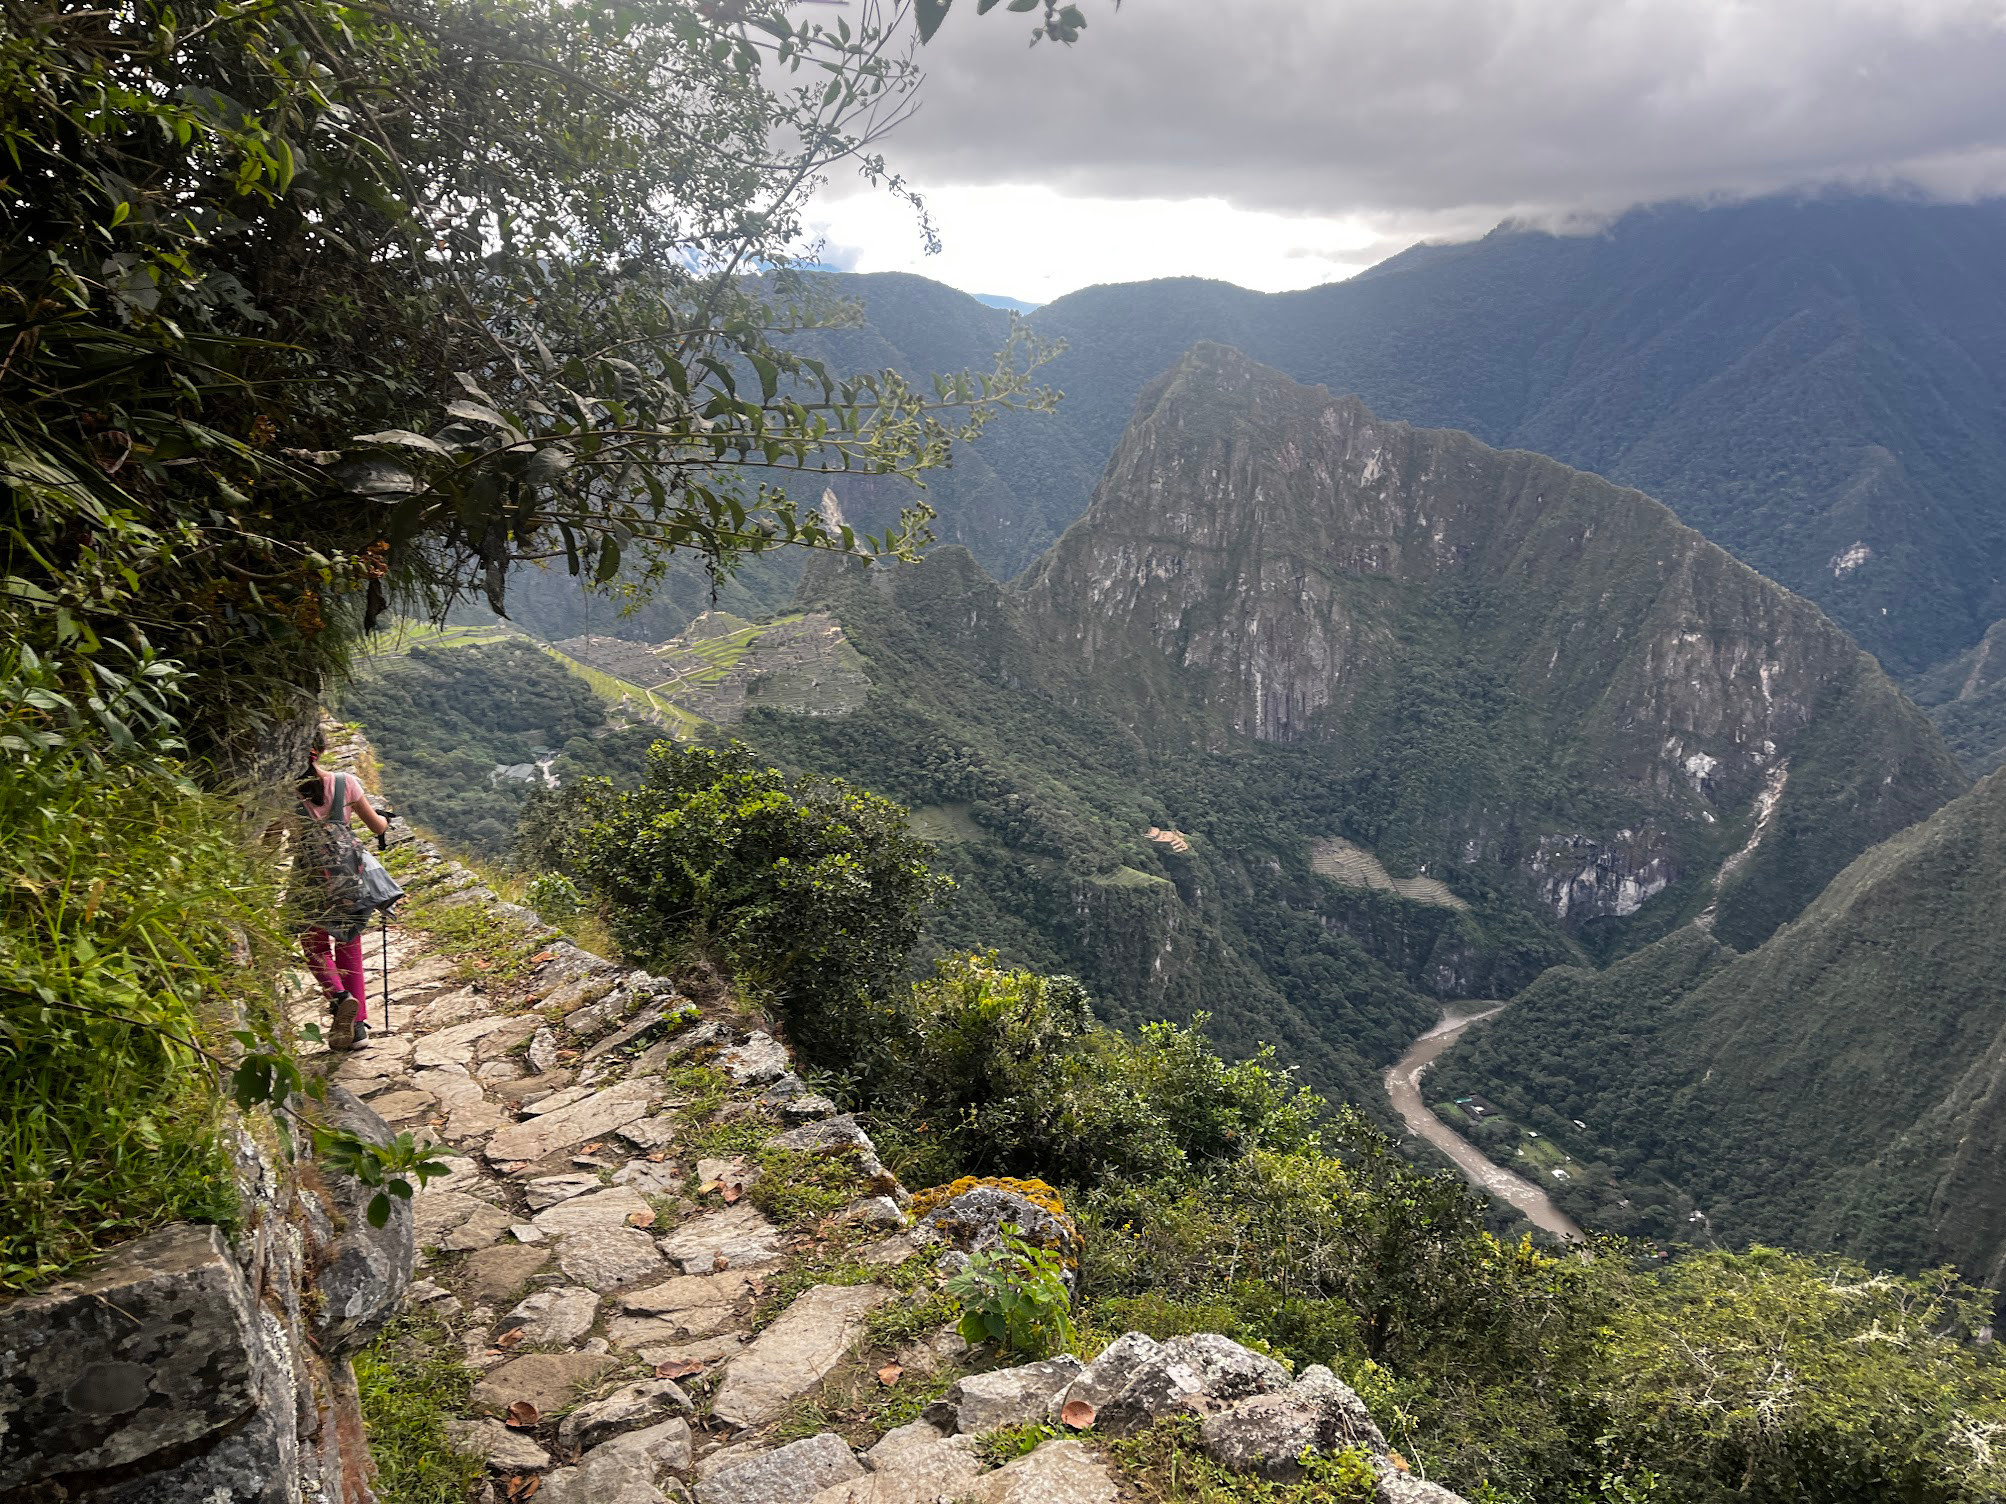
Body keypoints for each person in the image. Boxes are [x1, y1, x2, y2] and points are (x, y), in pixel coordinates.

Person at [290, 728, 390, 1050]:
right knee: (350, 942)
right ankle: (357, 1028)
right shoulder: (346, 783)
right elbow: (376, 826)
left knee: (314, 943)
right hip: (347, 875)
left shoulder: (285, 795)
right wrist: (385, 821)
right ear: (321, 749)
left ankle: (339, 997)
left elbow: (269, 841)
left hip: (308, 878)